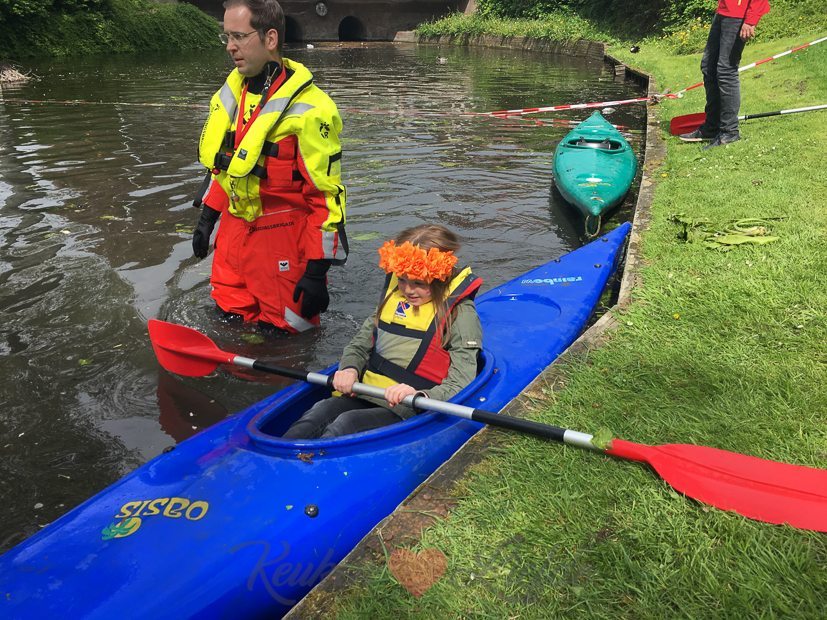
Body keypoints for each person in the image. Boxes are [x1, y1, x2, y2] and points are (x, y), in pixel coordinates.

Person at [192, 0, 347, 333]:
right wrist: (207, 218)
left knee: (287, 340)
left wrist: (317, 271)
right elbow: (227, 168)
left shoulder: (311, 110)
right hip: (233, 238)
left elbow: (325, 197)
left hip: (282, 242)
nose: (230, 47)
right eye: (226, 37)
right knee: (227, 328)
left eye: (238, 36)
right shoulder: (230, 97)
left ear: (270, 39)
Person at [283, 224, 483, 439]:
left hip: (410, 404)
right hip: (369, 390)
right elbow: (359, 346)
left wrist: (421, 395)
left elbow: (462, 380)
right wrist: (349, 368)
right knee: (318, 413)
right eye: (402, 279)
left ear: (440, 277)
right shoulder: (393, 298)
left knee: (345, 424)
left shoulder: (460, 314)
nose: (407, 290)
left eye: (418, 283)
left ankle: (313, 467)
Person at [679, 0, 770, 149]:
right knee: (708, 67)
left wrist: (751, 20)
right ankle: (712, 127)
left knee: (726, 71)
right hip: (722, 12)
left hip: (737, 16)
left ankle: (729, 132)